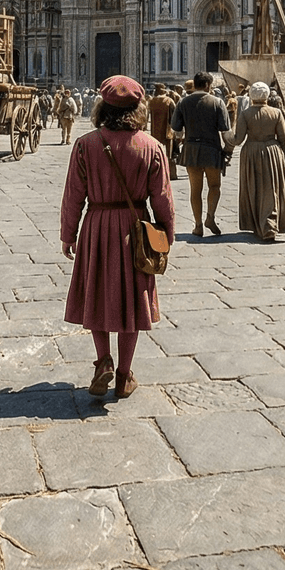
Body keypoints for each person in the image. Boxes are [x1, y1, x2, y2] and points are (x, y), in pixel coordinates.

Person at [61, 75, 174, 398]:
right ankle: (124, 376)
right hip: (135, 230)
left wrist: (68, 234)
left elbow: (73, 196)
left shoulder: (86, 145)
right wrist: (165, 236)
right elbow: (163, 199)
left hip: (96, 226)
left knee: (96, 292)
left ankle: (102, 362)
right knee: (132, 301)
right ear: (137, 109)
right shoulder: (151, 147)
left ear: (102, 107)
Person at [228, 82, 285, 242]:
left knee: (253, 187)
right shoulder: (276, 112)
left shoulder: (245, 114)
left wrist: (226, 135)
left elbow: (238, 139)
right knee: (271, 189)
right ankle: (269, 225)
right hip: (273, 151)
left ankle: (258, 224)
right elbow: (284, 139)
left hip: (251, 152)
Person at [172, 72, 232, 238]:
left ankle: (198, 225)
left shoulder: (183, 102)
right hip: (211, 149)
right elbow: (225, 130)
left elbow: (176, 129)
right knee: (214, 186)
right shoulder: (217, 102)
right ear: (207, 85)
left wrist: (181, 138)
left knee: (195, 190)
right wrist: (229, 148)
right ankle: (210, 217)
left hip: (191, 149)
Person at [148, 87, 177, 181]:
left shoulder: (151, 101)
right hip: (168, 129)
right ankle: (170, 174)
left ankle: (157, 173)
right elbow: (175, 114)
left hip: (155, 130)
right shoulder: (168, 100)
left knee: (155, 153)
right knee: (169, 153)